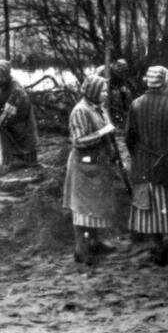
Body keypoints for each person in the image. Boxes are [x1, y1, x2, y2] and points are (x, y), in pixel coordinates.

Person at [126, 66, 168, 265]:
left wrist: (138, 157)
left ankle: (158, 249)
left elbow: (129, 138)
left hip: (144, 167)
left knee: (149, 210)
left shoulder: (135, 105)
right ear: (165, 83)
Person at [62, 75, 118, 265]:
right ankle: (81, 250)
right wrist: (103, 132)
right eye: (102, 90)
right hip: (83, 166)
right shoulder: (80, 111)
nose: (105, 94)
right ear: (93, 91)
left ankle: (94, 243)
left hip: (96, 164)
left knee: (95, 208)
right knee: (82, 209)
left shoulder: (99, 108)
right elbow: (78, 141)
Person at [96, 58, 134, 123]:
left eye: (123, 71)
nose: (120, 72)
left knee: (125, 93)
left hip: (113, 90)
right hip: (101, 90)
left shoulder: (121, 75)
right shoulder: (103, 69)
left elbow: (122, 86)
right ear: (115, 65)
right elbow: (94, 82)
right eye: (118, 67)